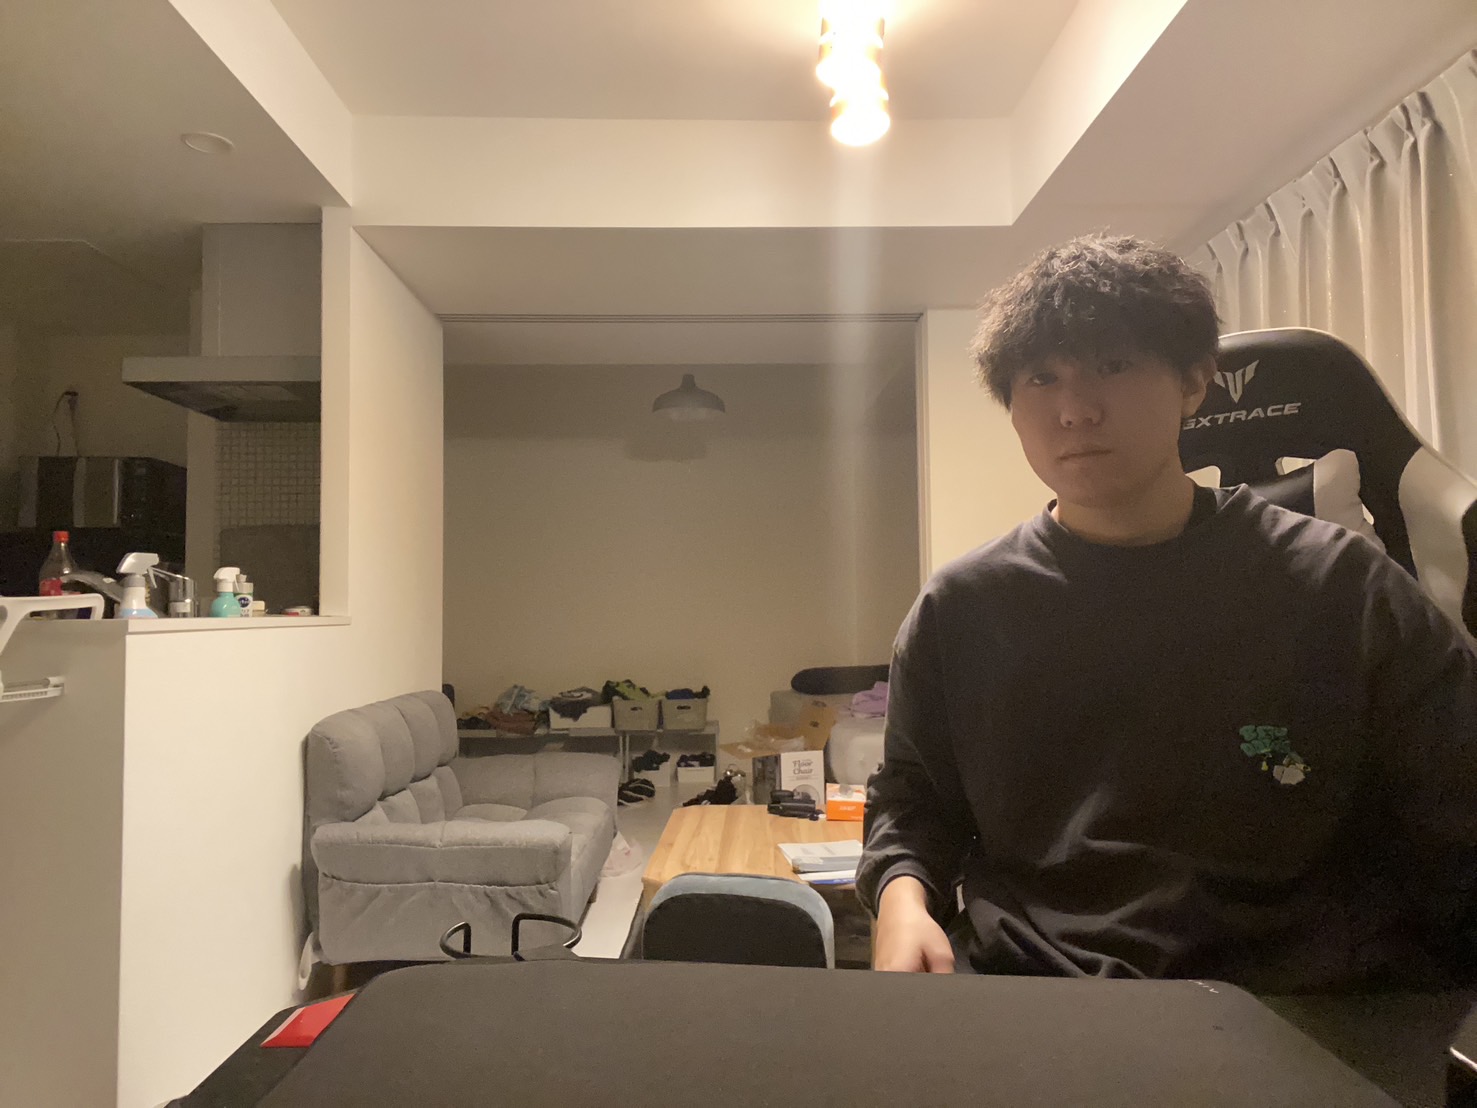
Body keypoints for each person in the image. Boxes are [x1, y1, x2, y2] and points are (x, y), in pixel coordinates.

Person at [856, 234, 1477, 992]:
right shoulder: (961, 609)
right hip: (1030, 987)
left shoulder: (1341, 586)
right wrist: (901, 902)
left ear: (1193, 382)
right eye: (1041, 379)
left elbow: (1453, 807)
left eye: (1114, 366)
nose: (1075, 410)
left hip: (1293, 998)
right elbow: (913, 805)